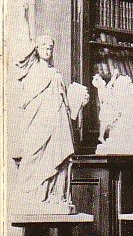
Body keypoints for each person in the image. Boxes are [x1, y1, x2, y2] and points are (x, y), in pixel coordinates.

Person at [15, 35, 89, 213]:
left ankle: (56, 197)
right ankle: (34, 197)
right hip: (40, 123)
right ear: (37, 49)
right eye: (43, 46)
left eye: (50, 47)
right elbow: (21, 59)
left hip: (58, 124)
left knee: (60, 158)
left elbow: (65, 104)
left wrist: (79, 103)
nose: (47, 49)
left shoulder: (56, 74)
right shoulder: (33, 71)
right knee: (35, 156)